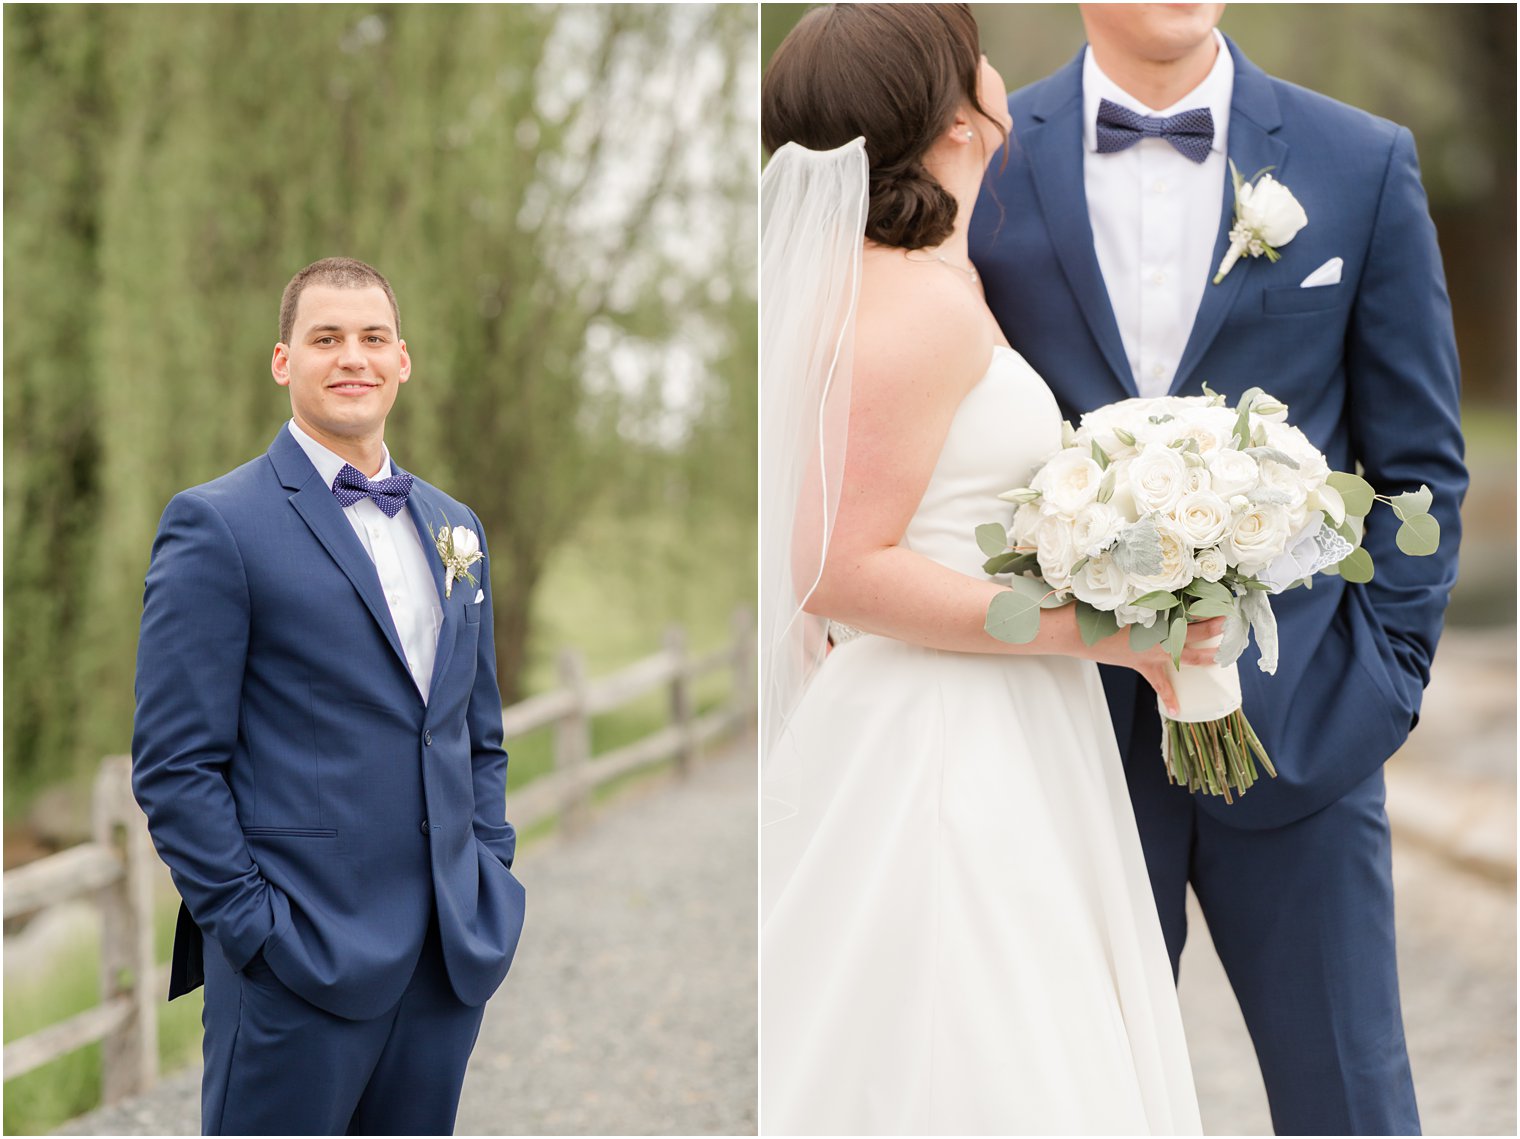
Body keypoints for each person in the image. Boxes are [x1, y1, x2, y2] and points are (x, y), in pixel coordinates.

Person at [970, 6, 1466, 1134]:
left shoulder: (1360, 161)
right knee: (1070, 1109)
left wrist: (1380, 677)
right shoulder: (984, 155)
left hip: (1304, 734)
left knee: (1349, 1104)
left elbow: (1418, 465)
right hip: (1060, 738)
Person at [759, 6, 1217, 1132]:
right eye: (970, 55)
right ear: (952, 112)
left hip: (990, 716)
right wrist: (1098, 633)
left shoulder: (920, 280)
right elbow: (835, 567)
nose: (994, 69)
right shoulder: (913, 305)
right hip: (941, 738)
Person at [132, 257, 526, 1135]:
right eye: (327, 338)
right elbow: (174, 765)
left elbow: (473, 730)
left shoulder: (455, 525)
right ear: (283, 361)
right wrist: (254, 930)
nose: (354, 357)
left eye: (372, 338)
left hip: (443, 964)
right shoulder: (217, 524)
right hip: (294, 968)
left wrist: (485, 870)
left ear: (403, 360)